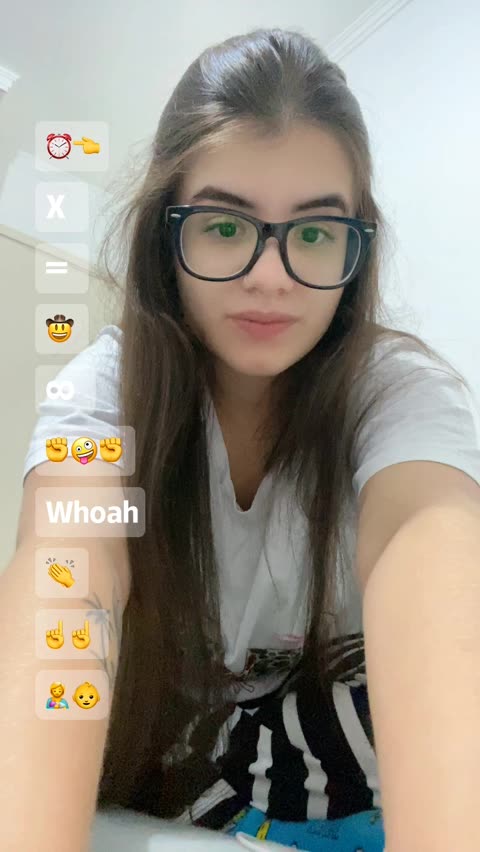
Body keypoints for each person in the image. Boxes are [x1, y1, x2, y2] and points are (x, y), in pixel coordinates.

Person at [2, 26, 480, 852]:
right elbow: (67, 596)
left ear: (357, 246)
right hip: (182, 753)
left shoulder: (399, 394)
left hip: (334, 739)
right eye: (224, 227)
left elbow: (439, 590)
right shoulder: (105, 394)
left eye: (315, 233)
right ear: (168, 235)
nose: (271, 275)